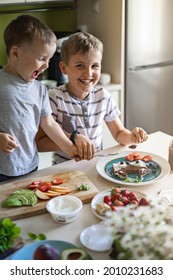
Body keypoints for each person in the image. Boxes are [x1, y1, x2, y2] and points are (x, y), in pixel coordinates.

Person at [36, 32, 148, 165]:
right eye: (80, 65)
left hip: (96, 166)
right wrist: (72, 141)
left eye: (95, 66)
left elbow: (119, 133)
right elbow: (39, 143)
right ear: (63, 68)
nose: (88, 73)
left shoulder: (103, 96)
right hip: (64, 171)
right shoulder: (54, 98)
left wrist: (131, 137)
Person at [0, 15, 86, 182]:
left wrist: (69, 147)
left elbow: (48, 124)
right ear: (16, 53)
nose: (47, 65)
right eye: (41, 59)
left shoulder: (40, 89)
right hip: (2, 170)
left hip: (30, 166)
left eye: (49, 59)